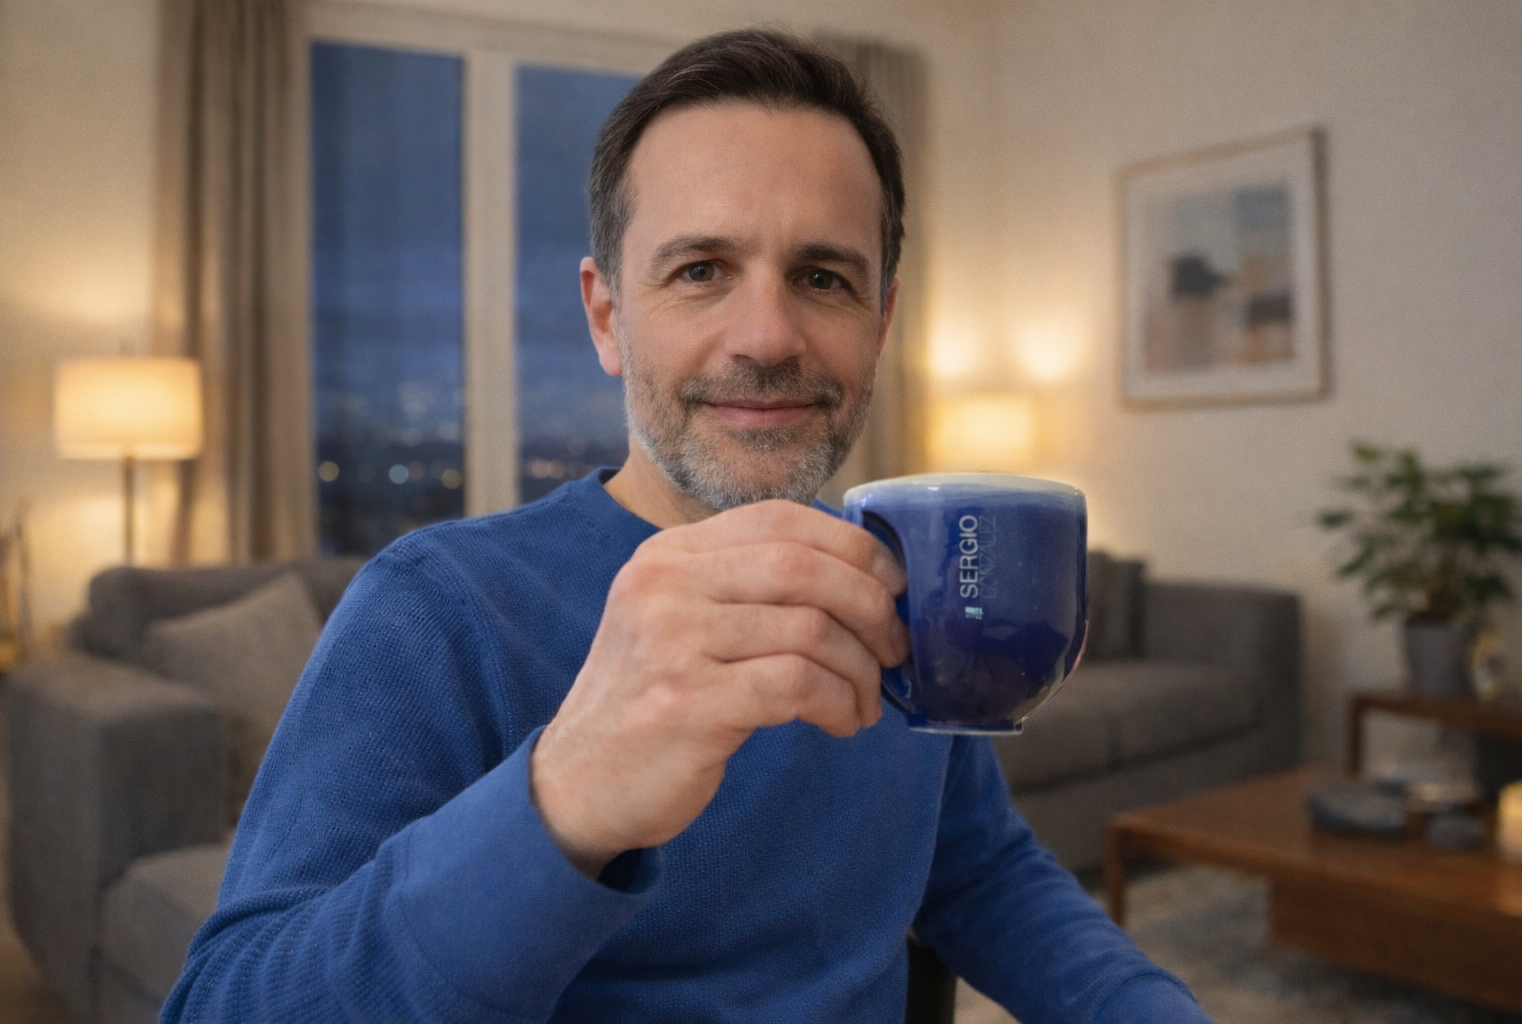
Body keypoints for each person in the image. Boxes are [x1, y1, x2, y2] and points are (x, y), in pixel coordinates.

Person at [163, 29, 1211, 1023]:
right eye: (701, 269)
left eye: (822, 277)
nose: (765, 336)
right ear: (608, 313)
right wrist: (564, 795)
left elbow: (980, 872)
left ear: (880, 323)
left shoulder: (898, 587)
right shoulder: (437, 605)